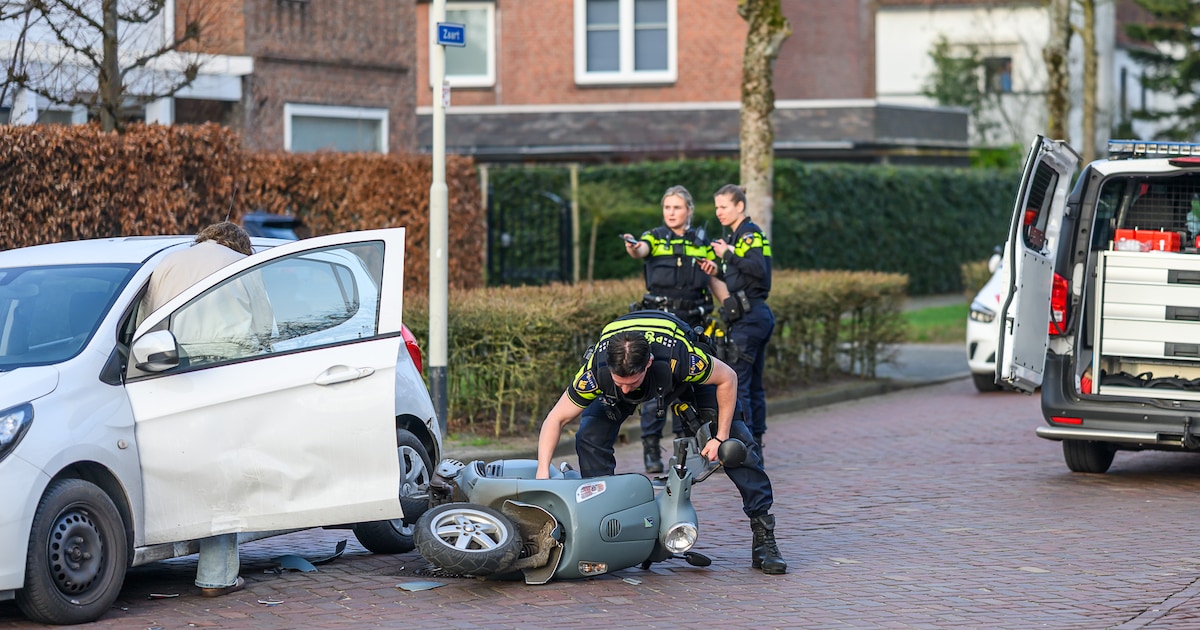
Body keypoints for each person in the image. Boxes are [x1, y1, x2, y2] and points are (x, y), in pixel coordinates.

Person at [534, 311, 787, 575]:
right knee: (589, 437)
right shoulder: (596, 373)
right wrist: (543, 472)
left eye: (632, 383)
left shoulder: (682, 359)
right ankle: (603, 527)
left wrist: (720, 437)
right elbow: (555, 419)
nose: (626, 391)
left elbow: (728, 378)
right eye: (620, 383)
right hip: (625, 370)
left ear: (648, 364)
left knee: (737, 447)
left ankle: (763, 538)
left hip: (680, 377)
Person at [141, 220, 272, 597]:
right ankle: (217, 575)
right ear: (241, 245)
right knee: (223, 474)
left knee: (182, 468)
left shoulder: (166, 264)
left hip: (171, 374)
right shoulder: (242, 265)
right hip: (227, 373)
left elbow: (148, 324)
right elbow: (266, 329)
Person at [620, 185, 726, 474]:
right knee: (655, 384)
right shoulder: (654, 237)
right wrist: (632, 245)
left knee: (689, 384)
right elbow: (639, 249)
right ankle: (651, 449)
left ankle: (686, 449)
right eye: (667, 208)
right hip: (661, 320)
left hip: (692, 321)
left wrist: (714, 270)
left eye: (677, 208)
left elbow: (716, 273)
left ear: (689, 210)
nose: (671, 213)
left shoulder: (701, 241)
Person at [699, 184, 774, 459]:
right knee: (752, 386)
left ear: (739, 207)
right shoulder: (738, 236)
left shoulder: (749, 235)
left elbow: (758, 270)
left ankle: (749, 452)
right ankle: (756, 448)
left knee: (739, 385)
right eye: (716, 207)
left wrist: (727, 254)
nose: (718, 212)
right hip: (752, 316)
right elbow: (743, 274)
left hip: (750, 317)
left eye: (723, 207)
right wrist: (717, 269)